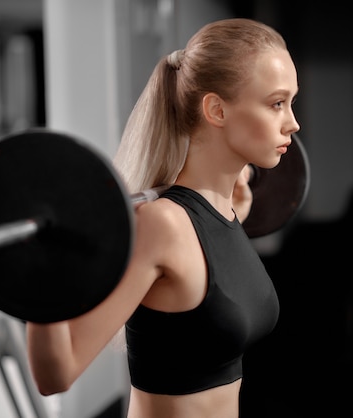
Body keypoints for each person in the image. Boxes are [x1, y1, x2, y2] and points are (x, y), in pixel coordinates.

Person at [26, 17, 300, 418]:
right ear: (216, 109)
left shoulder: (225, 210)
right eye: (277, 103)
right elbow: (57, 376)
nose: (293, 122)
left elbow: (215, 247)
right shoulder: (162, 226)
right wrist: (39, 267)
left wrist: (237, 194)